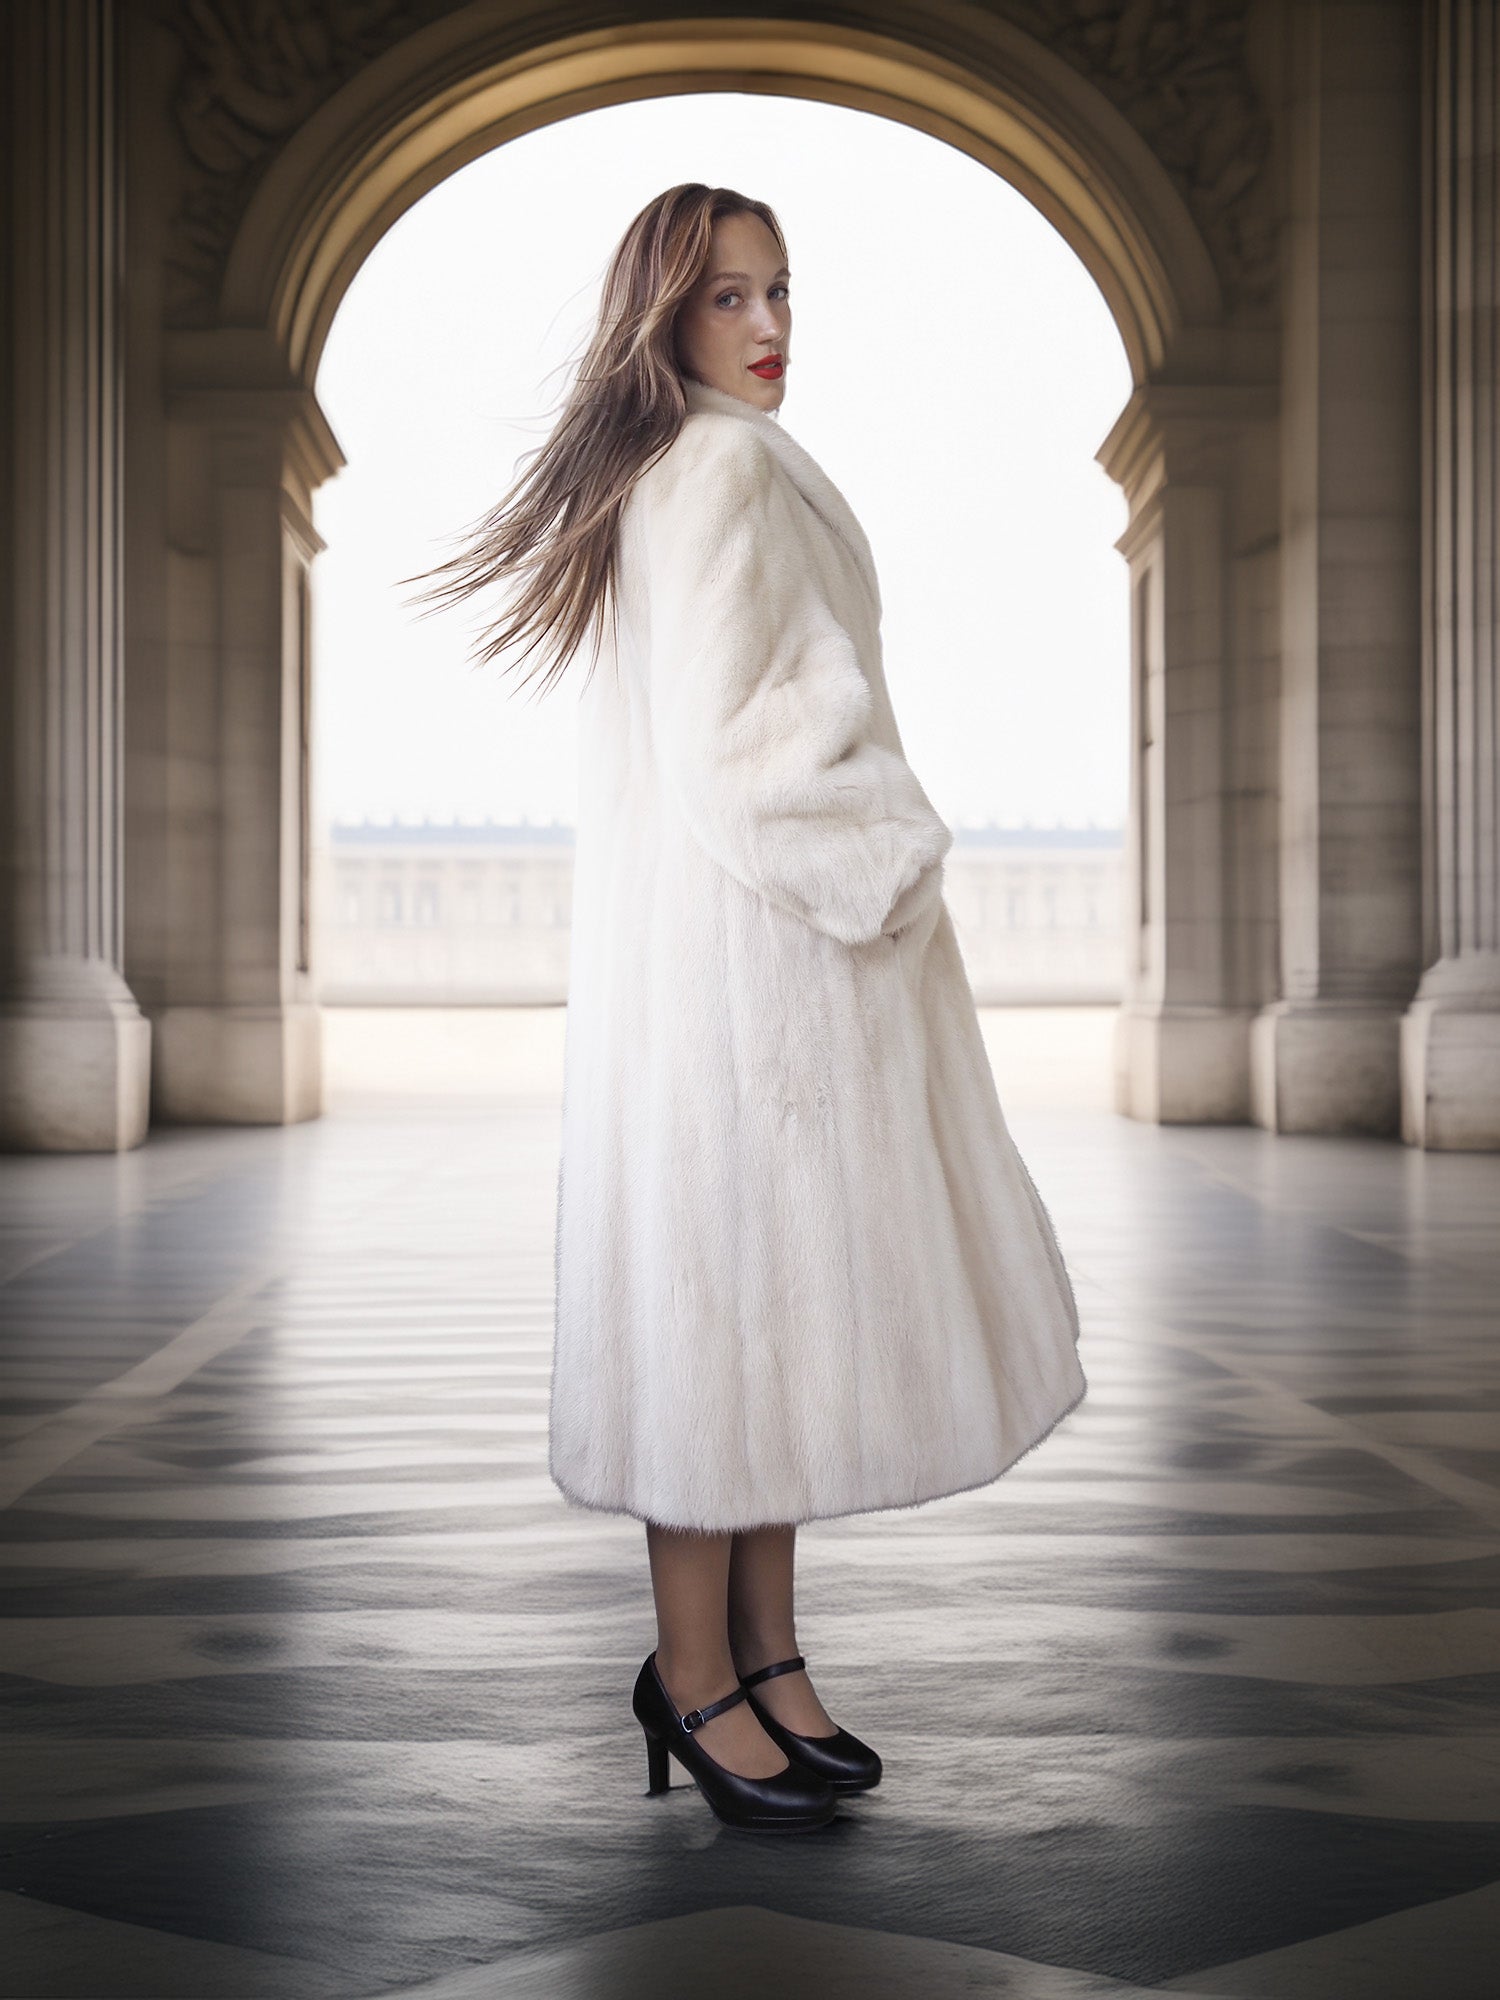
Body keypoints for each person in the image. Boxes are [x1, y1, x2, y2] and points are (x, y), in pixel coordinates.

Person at [408, 183, 1087, 1834]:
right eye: (730, 299)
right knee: (718, 1324)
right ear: (664, 314)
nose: (771, 326)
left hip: (721, 971)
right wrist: (896, 849)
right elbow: (745, 750)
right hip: (749, 969)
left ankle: (769, 1657)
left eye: (785, 290)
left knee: (759, 1317)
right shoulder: (713, 469)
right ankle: (695, 1675)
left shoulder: (692, 465)